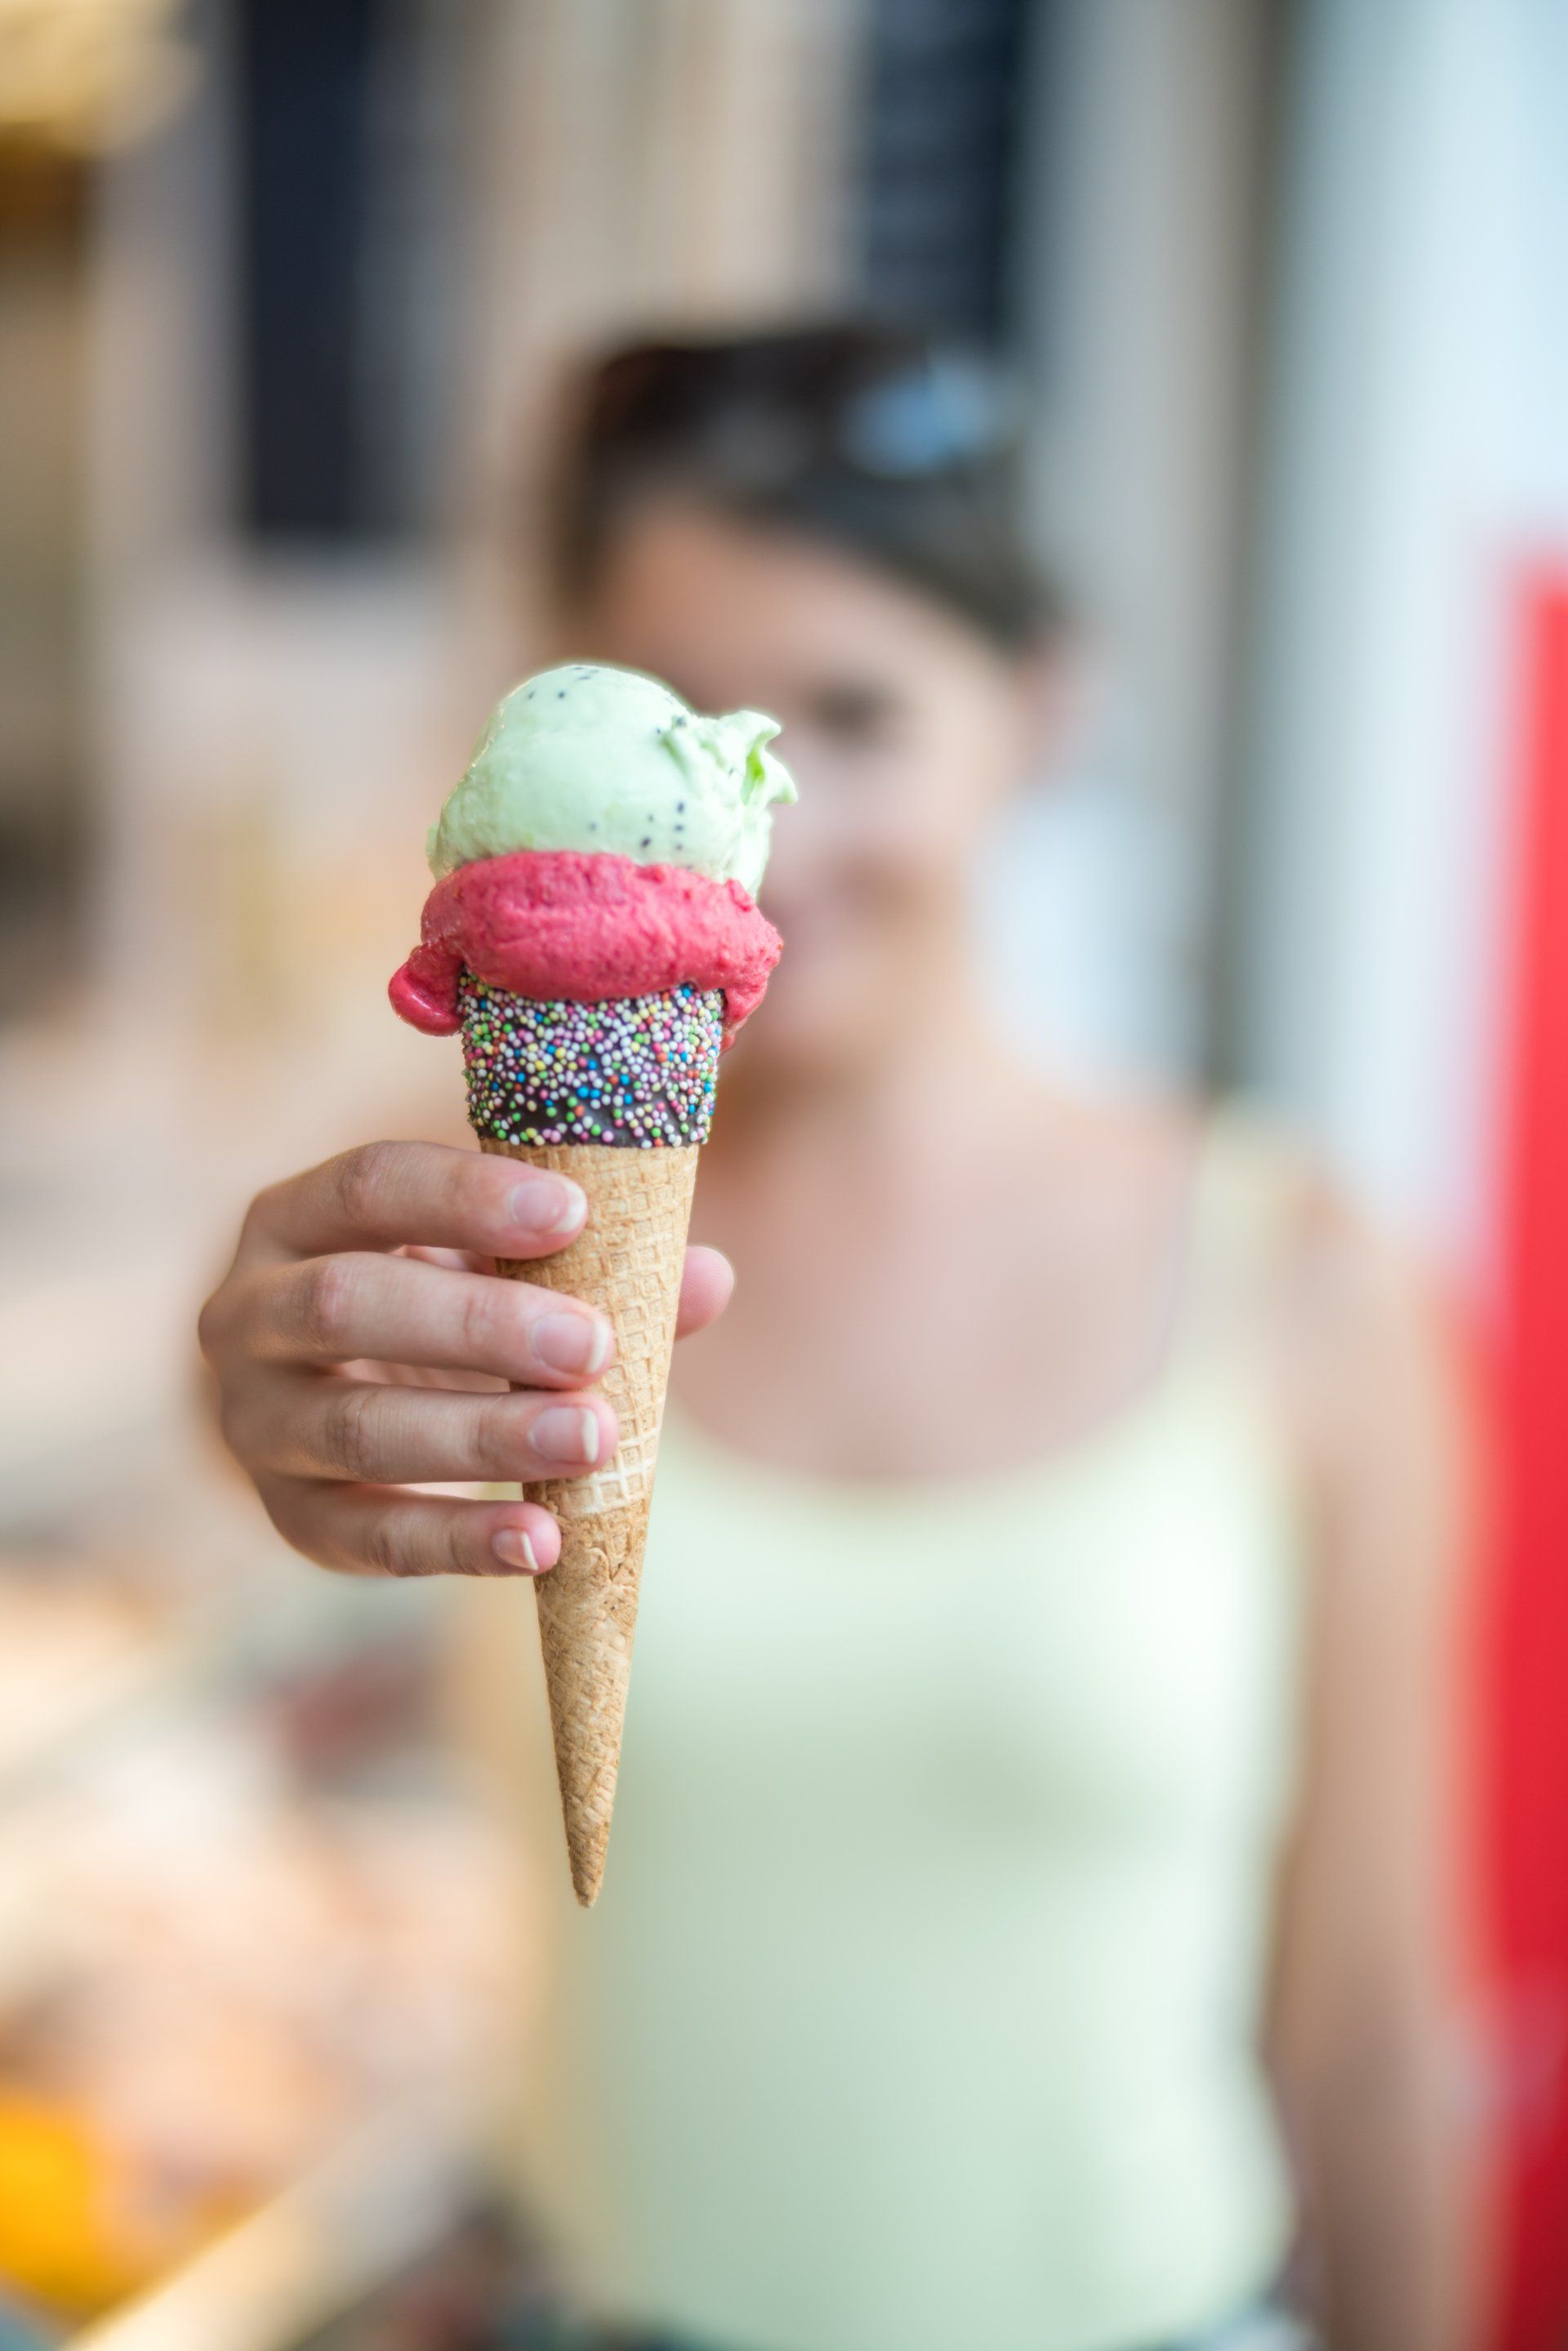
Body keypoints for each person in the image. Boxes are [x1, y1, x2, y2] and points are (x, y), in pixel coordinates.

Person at [199, 327, 1486, 2351]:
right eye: (679, 731)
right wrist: (256, 1407)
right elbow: (261, 1476)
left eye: (857, 717)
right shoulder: (486, 1256)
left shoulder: (1301, 1278)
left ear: (1039, 714)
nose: (761, 836)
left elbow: (1374, 2037)